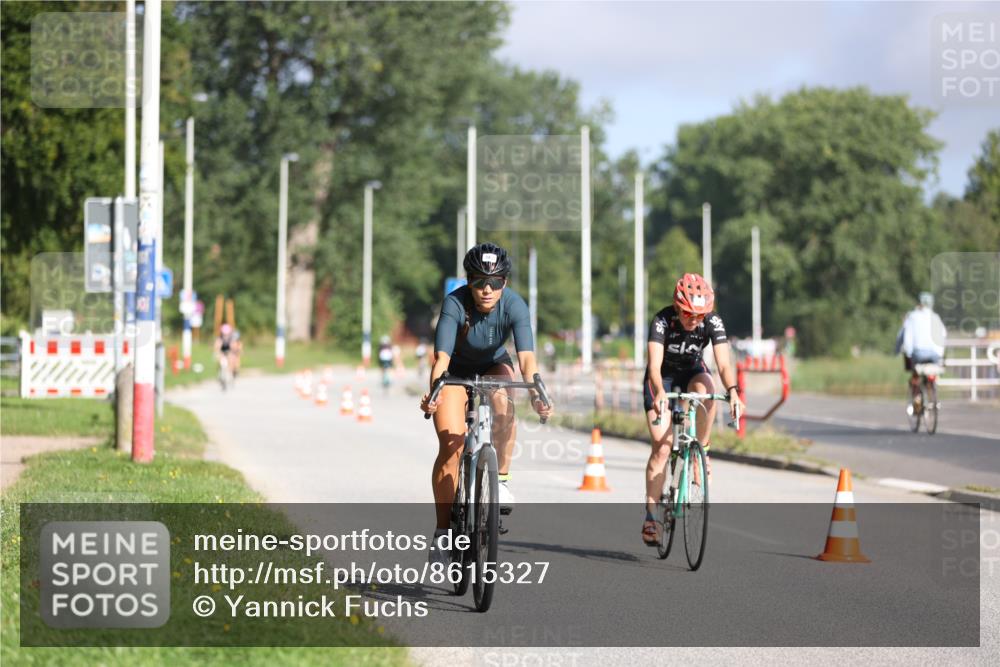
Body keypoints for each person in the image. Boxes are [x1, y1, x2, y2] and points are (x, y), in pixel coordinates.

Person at [420, 242, 553, 562]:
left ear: (504, 283)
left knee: (504, 404)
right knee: (451, 447)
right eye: (479, 281)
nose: (487, 289)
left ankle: (501, 479)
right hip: (455, 371)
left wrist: (537, 391)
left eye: (494, 282)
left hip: (494, 365)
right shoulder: (455, 303)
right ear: (469, 281)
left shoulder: (515, 306)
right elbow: (441, 358)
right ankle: (442, 533)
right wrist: (435, 390)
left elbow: (527, 360)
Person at [641, 273, 743, 546]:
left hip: (692, 373)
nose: (694, 320)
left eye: (700, 316)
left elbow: (723, 365)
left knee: (707, 390)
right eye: (688, 314)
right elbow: (653, 366)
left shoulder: (712, 321)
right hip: (661, 379)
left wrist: (733, 392)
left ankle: (703, 451)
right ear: (677, 306)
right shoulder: (662, 321)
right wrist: (661, 393)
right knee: (662, 448)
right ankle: (651, 516)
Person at [895, 292, 947, 395]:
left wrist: (906, 353)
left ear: (919, 303)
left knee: (915, 371)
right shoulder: (936, 317)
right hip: (936, 354)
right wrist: (940, 353)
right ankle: (931, 388)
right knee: (932, 371)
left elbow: (907, 337)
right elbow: (944, 334)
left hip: (918, 354)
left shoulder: (912, 316)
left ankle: (916, 397)